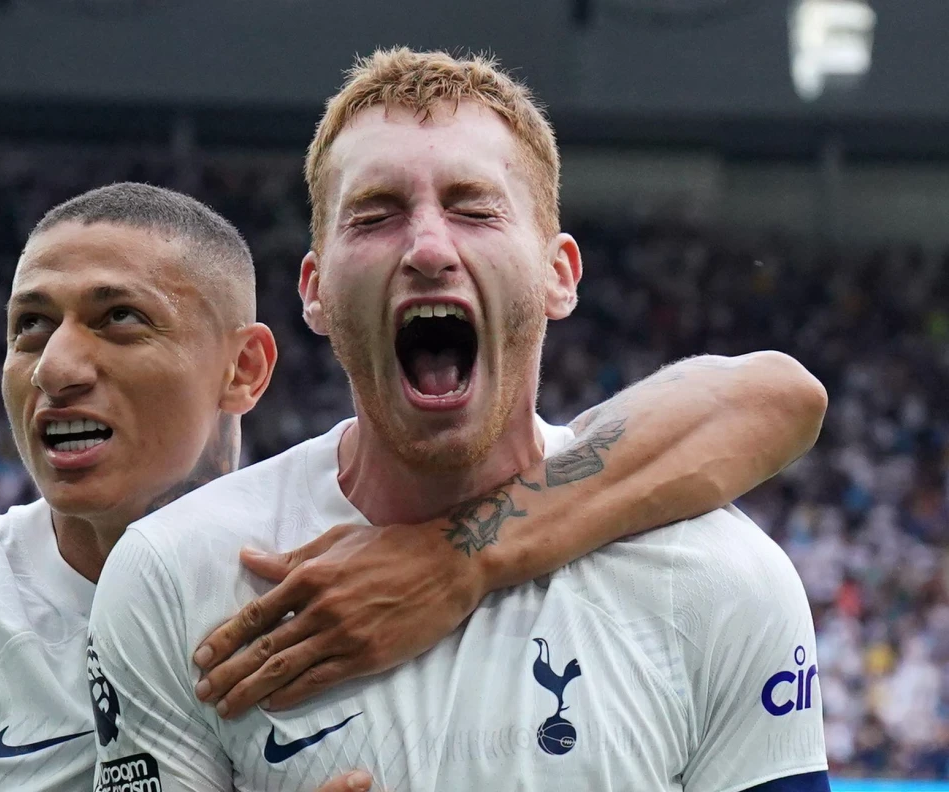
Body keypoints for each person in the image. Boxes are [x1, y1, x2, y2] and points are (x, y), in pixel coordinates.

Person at [0, 172, 823, 792]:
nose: (58, 366)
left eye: (118, 320)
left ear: (246, 370)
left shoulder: (351, 571)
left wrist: (458, 556)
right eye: (29, 328)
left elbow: (768, 397)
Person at [87, 49, 831, 792]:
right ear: (314, 291)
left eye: (475, 210)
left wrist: (454, 558)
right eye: (374, 216)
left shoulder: (715, 581)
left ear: (559, 274)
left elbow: (783, 394)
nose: (428, 249)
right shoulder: (177, 575)